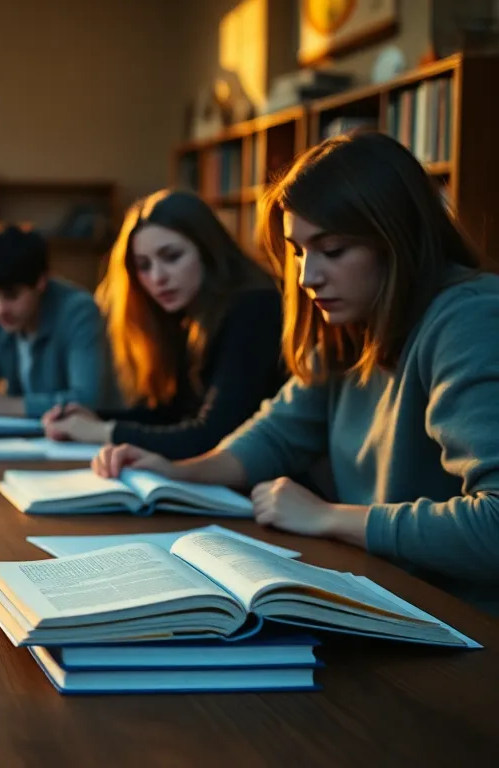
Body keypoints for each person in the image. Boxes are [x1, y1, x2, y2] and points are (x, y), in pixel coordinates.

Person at [93, 132, 499, 605]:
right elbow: (277, 434)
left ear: (396, 238)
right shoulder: (348, 322)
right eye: (300, 251)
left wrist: (328, 516)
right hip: (381, 590)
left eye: (333, 250)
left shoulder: (469, 318)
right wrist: (177, 469)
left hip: (463, 625)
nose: (307, 277)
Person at [41, 189, 283, 459]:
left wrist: (101, 431)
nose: (157, 277)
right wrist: (94, 417)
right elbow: (172, 413)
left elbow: (214, 434)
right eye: (143, 266)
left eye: (172, 257)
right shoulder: (185, 312)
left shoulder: (255, 307)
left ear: (208, 250)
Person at [0, 224, 106, 418]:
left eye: (12, 295)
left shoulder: (78, 311)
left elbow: (86, 399)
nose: (0, 309)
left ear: (40, 282)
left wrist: (8, 405)